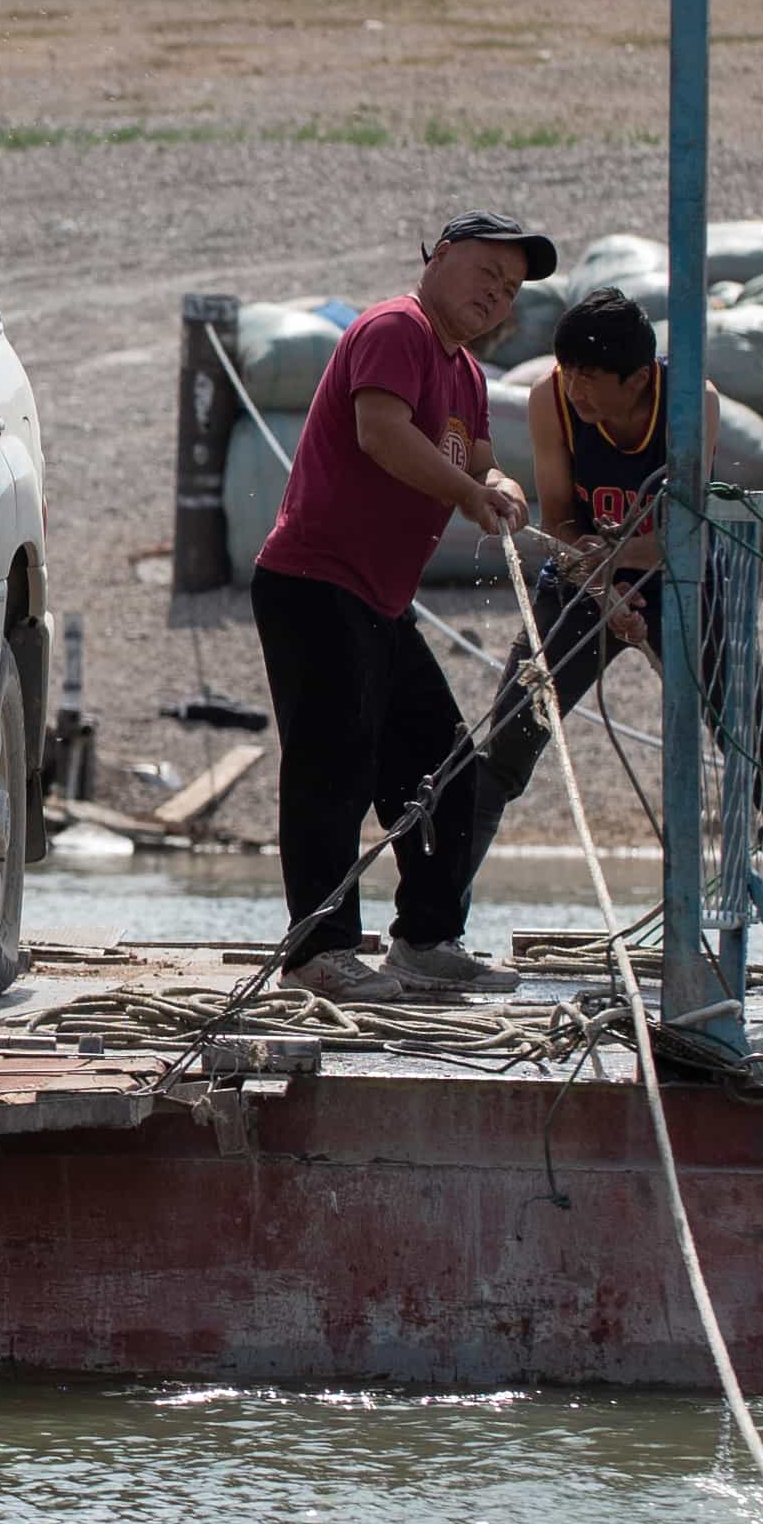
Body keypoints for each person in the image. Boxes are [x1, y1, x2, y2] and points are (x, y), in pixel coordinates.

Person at [242, 209, 547, 999]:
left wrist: (502, 489)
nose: (496, 296)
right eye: (486, 273)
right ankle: (318, 952)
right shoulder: (395, 329)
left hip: (380, 599)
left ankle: (426, 938)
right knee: (331, 768)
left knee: (445, 768)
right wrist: (469, 497)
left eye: (509, 290)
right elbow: (381, 433)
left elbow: (480, 461)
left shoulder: (467, 374)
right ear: (441, 256)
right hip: (316, 583)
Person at [463, 281, 675, 866]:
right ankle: (430, 932)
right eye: (568, 371)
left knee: (761, 747)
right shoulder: (549, 399)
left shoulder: (688, 402)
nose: (574, 389)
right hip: (583, 575)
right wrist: (605, 591)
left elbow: (688, 536)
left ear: (636, 379)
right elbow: (559, 517)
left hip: (679, 581)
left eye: (590, 377)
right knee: (507, 745)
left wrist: (628, 570)